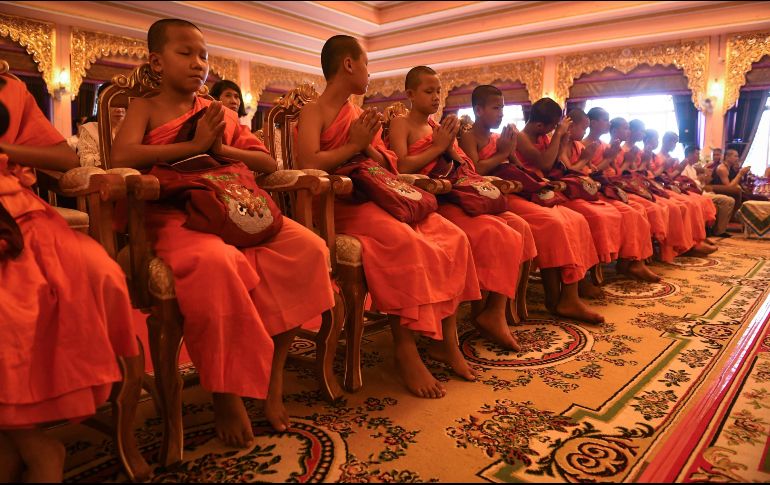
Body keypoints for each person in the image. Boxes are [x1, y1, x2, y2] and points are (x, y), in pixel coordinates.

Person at [111, 18, 335, 446]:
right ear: (157, 61)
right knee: (217, 264)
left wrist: (220, 150)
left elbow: (269, 164)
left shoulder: (220, 114)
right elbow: (121, 156)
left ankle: (271, 383)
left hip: (236, 206)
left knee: (309, 248)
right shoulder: (145, 107)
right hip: (175, 213)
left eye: (204, 56)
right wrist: (192, 149)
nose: (199, 64)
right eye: (186, 53)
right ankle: (226, 393)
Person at [296, 35, 481, 398]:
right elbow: (308, 164)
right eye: (366, 64)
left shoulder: (359, 115)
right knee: (408, 243)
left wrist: (365, 145)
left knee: (452, 236)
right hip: (340, 206)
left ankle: (446, 339)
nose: (368, 73)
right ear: (348, 65)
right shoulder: (313, 111)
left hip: (378, 195)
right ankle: (405, 348)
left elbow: (389, 165)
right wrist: (353, 145)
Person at [0, 71, 139, 482]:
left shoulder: (10, 88)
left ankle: (19, 444)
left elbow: (64, 159)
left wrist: (5, 149)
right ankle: (27, 443)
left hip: (15, 211)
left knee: (96, 270)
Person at [388, 65, 528, 350]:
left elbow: (467, 166)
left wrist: (450, 148)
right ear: (410, 94)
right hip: (434, 200)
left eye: (438, 91)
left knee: (517, 226)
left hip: (456, 191)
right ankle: (488, 314)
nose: (436, 97)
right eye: (429, 91)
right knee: (498, 232)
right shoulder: (401, 123)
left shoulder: (439, 128)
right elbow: (399, 166)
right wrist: (438, 148)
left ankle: (493, 310)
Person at [459, 86, 604, 324]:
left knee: (575, 219)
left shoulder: (500, 137)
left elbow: (518, 167)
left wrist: (538, 182)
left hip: (517, 190)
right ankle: (557, 297)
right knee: (553, 222)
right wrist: (503, 153)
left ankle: (568, 294)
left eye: (503, 108)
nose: (501, 113)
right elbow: (472, 171)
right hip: (498, 196)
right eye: (496, 108)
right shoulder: (468, 135)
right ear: (477, 110)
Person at [560, 109, 658, 281]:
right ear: (593, 122)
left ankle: (634, 261)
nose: (609, 123)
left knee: (637, 210)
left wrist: (613, 158)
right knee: (626, 212)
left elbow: (599, 170)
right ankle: (623, 261)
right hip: (580, 190)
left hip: (598, 186)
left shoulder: (586, 145)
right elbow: (570, 172)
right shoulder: (578, 144)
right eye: (606, 120)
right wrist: (602, 161)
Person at [677, 145, 735, 237]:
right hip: (693, 194)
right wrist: (699, 181)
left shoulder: (692, 168)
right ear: (689, 154)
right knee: (728, 200)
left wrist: (703, 180)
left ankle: (719, 229)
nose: (699, 156)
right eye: (697, 153)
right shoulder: (684, 167)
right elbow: (685, 184)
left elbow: (699, 184)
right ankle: (719, 231)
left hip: (701, 192)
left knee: (730, 200)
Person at [77, 81, 126, 167]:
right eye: (113, 103)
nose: (119, 109)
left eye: (122, 102)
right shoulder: (90, 129)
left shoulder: (134, 130)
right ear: (101, 104)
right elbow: (87, 162)